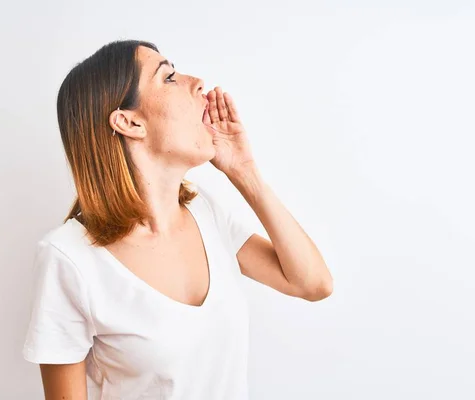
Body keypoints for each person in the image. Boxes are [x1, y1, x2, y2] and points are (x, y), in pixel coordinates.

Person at [22, 39, 333, 400]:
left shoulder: (205, 212)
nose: (198, 82)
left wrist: (245, 173)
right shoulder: (67, 257)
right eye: (168, 77)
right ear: (130, 121)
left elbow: (313, 284)